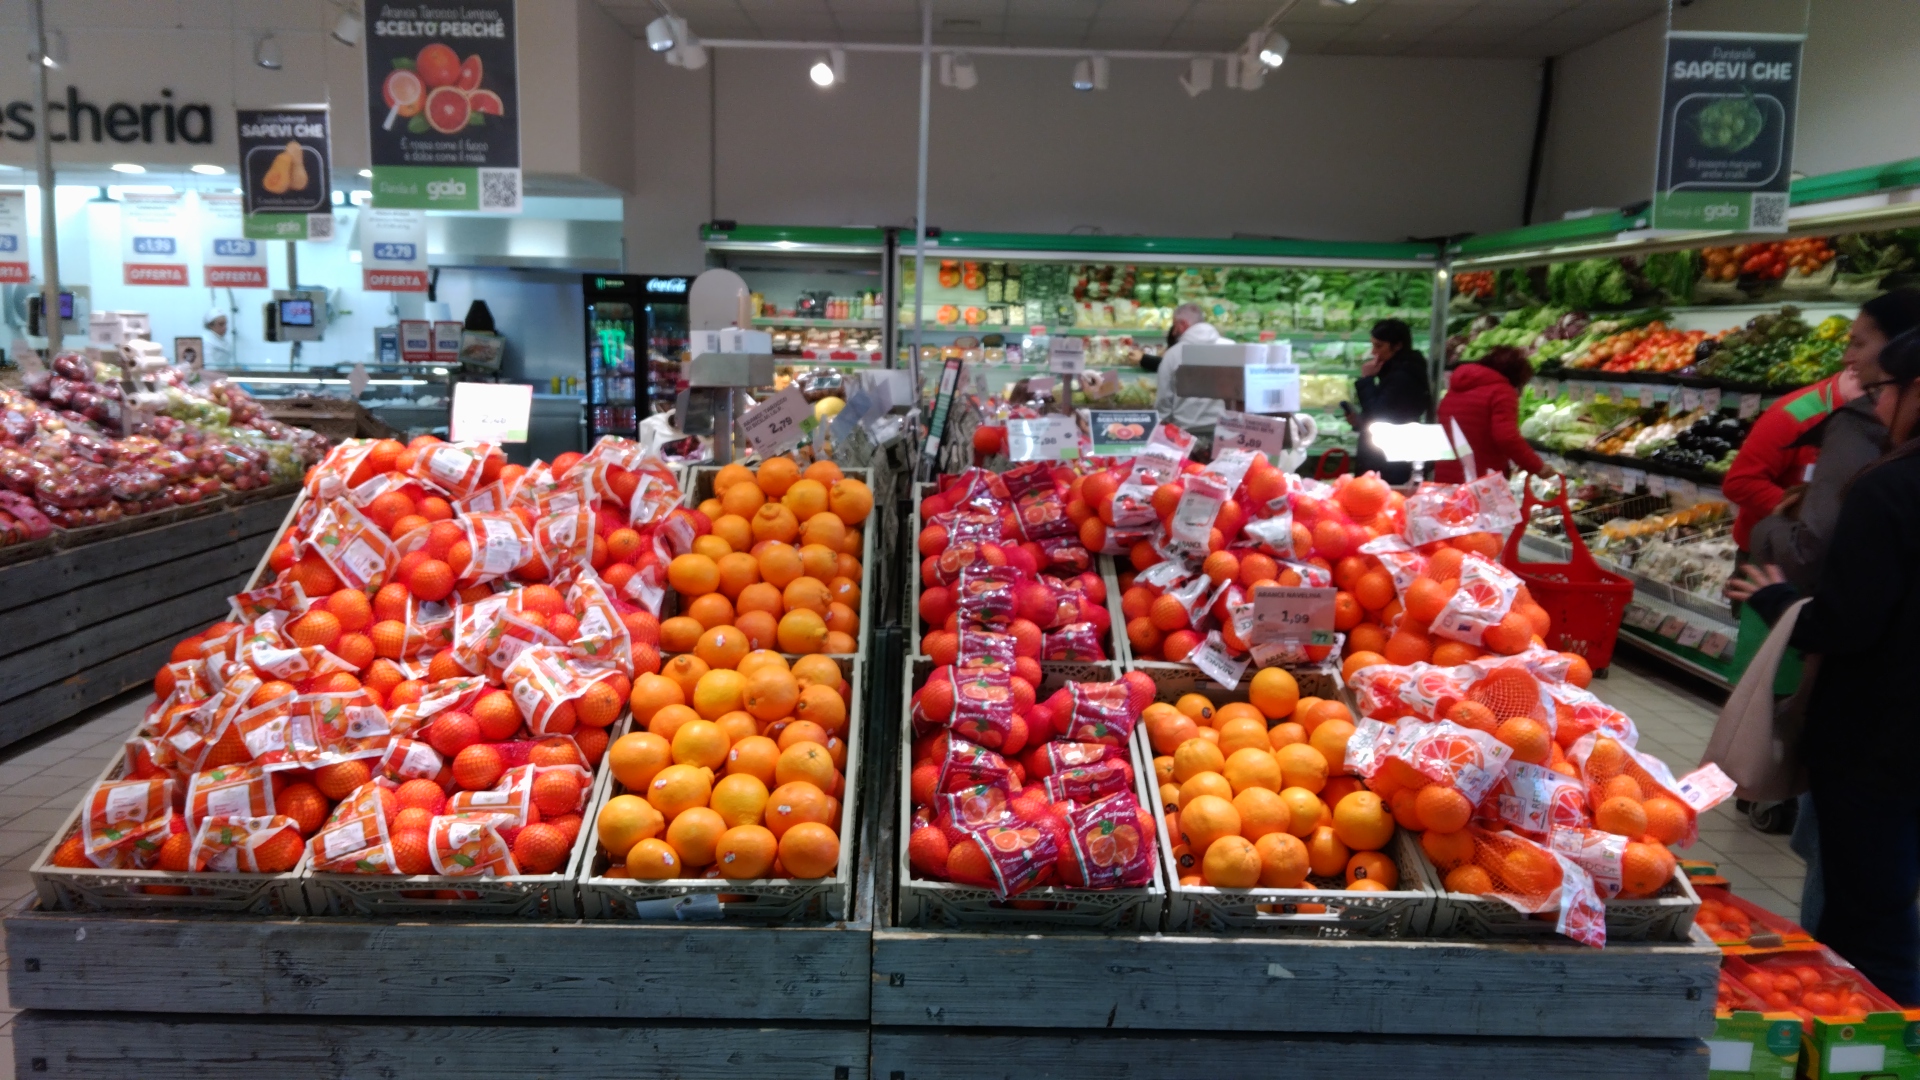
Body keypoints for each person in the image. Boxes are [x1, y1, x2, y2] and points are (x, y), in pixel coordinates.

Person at [1726, 326, 1920, 1005]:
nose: (1877, 405)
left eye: (1883, 389)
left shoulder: (1890, 487)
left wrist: (1778, 600)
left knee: (1866, 919)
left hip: (1878, 735)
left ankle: (1871, 1034)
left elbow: (1847, 623)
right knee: (1890, 897)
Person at [1430, 346, 1548, 484]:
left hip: (1445, 476)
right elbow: (1507, 437)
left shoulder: (1456, 389)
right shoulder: (1502, 391)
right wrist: (1537, 466)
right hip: (1480, 479)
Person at [1345, 318, 1432, 485]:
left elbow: (1378, 415)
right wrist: (1359, 421)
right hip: (1386, 455)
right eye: (1373, 345)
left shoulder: (1403, 377)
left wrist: (1367, 380)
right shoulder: (1398, 370)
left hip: (1390, 459)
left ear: (1397, 346)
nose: (1373, 352)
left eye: (1379, 346)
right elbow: (1386, 414)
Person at [1154, 302, 1230, 438]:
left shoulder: (1173, 354)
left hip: (1185, 434)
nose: (1174, 332)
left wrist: (1164, 429)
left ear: (1182, 324)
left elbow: (1164, 400)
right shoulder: (1231, 347)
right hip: (1225, 432)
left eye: (1175, 326)